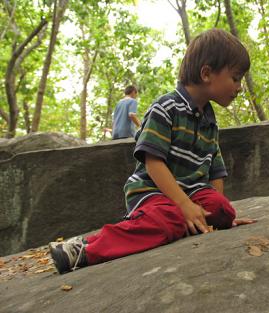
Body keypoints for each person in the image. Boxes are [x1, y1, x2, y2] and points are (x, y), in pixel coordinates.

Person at [49, 28, 256, 274]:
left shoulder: (209, 120)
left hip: (191, 193)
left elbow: (215, 171)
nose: (240, 87)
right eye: (235, 78)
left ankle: (183, 218)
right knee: (169, 220)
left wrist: (220, 216)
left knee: (223, 210)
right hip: (153, 191)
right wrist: (183, 205)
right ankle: (86, 249)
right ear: (207, 73)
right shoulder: (165, 107)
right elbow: (153, 163)